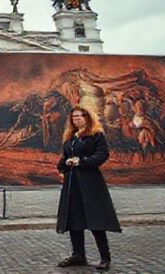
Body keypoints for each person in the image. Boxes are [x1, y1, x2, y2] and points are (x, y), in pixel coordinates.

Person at [56, 106, 121, 270]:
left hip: (90, 182)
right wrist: (65, 164)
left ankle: (105, 257)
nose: (76, 119)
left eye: (79, 116)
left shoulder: (96, 136)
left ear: (87, 118)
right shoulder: (70, 138)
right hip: (72, 184)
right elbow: (64, 159)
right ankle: (78, 255)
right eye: (74, 117)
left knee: (95, 219)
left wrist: (82, 161)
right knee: (74, 219)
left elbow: (102, 155)